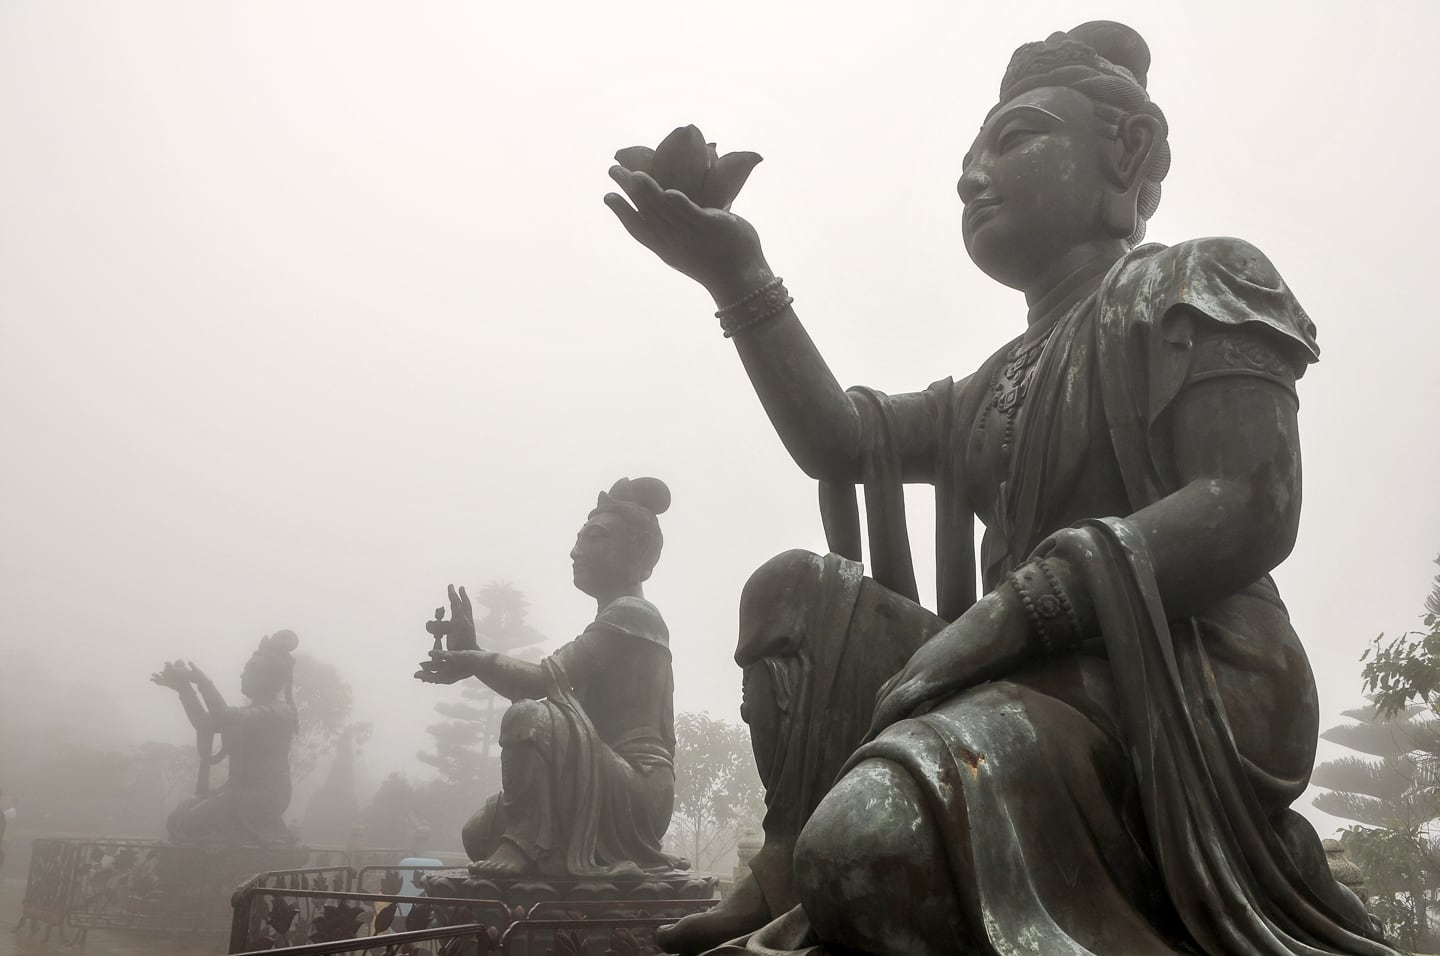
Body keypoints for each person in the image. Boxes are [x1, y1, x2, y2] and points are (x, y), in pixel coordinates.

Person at [605, 21, 1396, 956]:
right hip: (1025, 678)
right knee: (792, 590)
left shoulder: (1202, 276)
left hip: (1183, 682)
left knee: (870, 844)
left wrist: (1020, 608)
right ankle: (783, 856)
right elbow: (840, 440)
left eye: (1014, 140)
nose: (973, 176)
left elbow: (1252, 503)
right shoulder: (994, 382)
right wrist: (739, 276)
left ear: (1127, 150)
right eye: (967, 158)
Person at [416, 477, 683, 879]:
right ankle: (543, 852)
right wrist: (472, 658)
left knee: (529, 717)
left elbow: (540, 682)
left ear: (638, 547)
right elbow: (545, 687)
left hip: (636, 787)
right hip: (593, 770)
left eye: (595, 538)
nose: (577, 552)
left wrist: (473, 659)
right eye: (579, 540)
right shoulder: (613, 618)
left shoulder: (634, 614)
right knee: (478, 834)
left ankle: (525, 844)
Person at [151, 631, 299, 845]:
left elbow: (225, 716)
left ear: (274, 680)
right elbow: (204, 723)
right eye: (246, 670)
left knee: (189, 823)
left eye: (251, 671)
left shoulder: (279, 712)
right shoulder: (249, 712)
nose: (243, 675)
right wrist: (184, 688)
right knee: (176, 817)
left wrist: (202, 681)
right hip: (236, 789)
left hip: (265, 794)